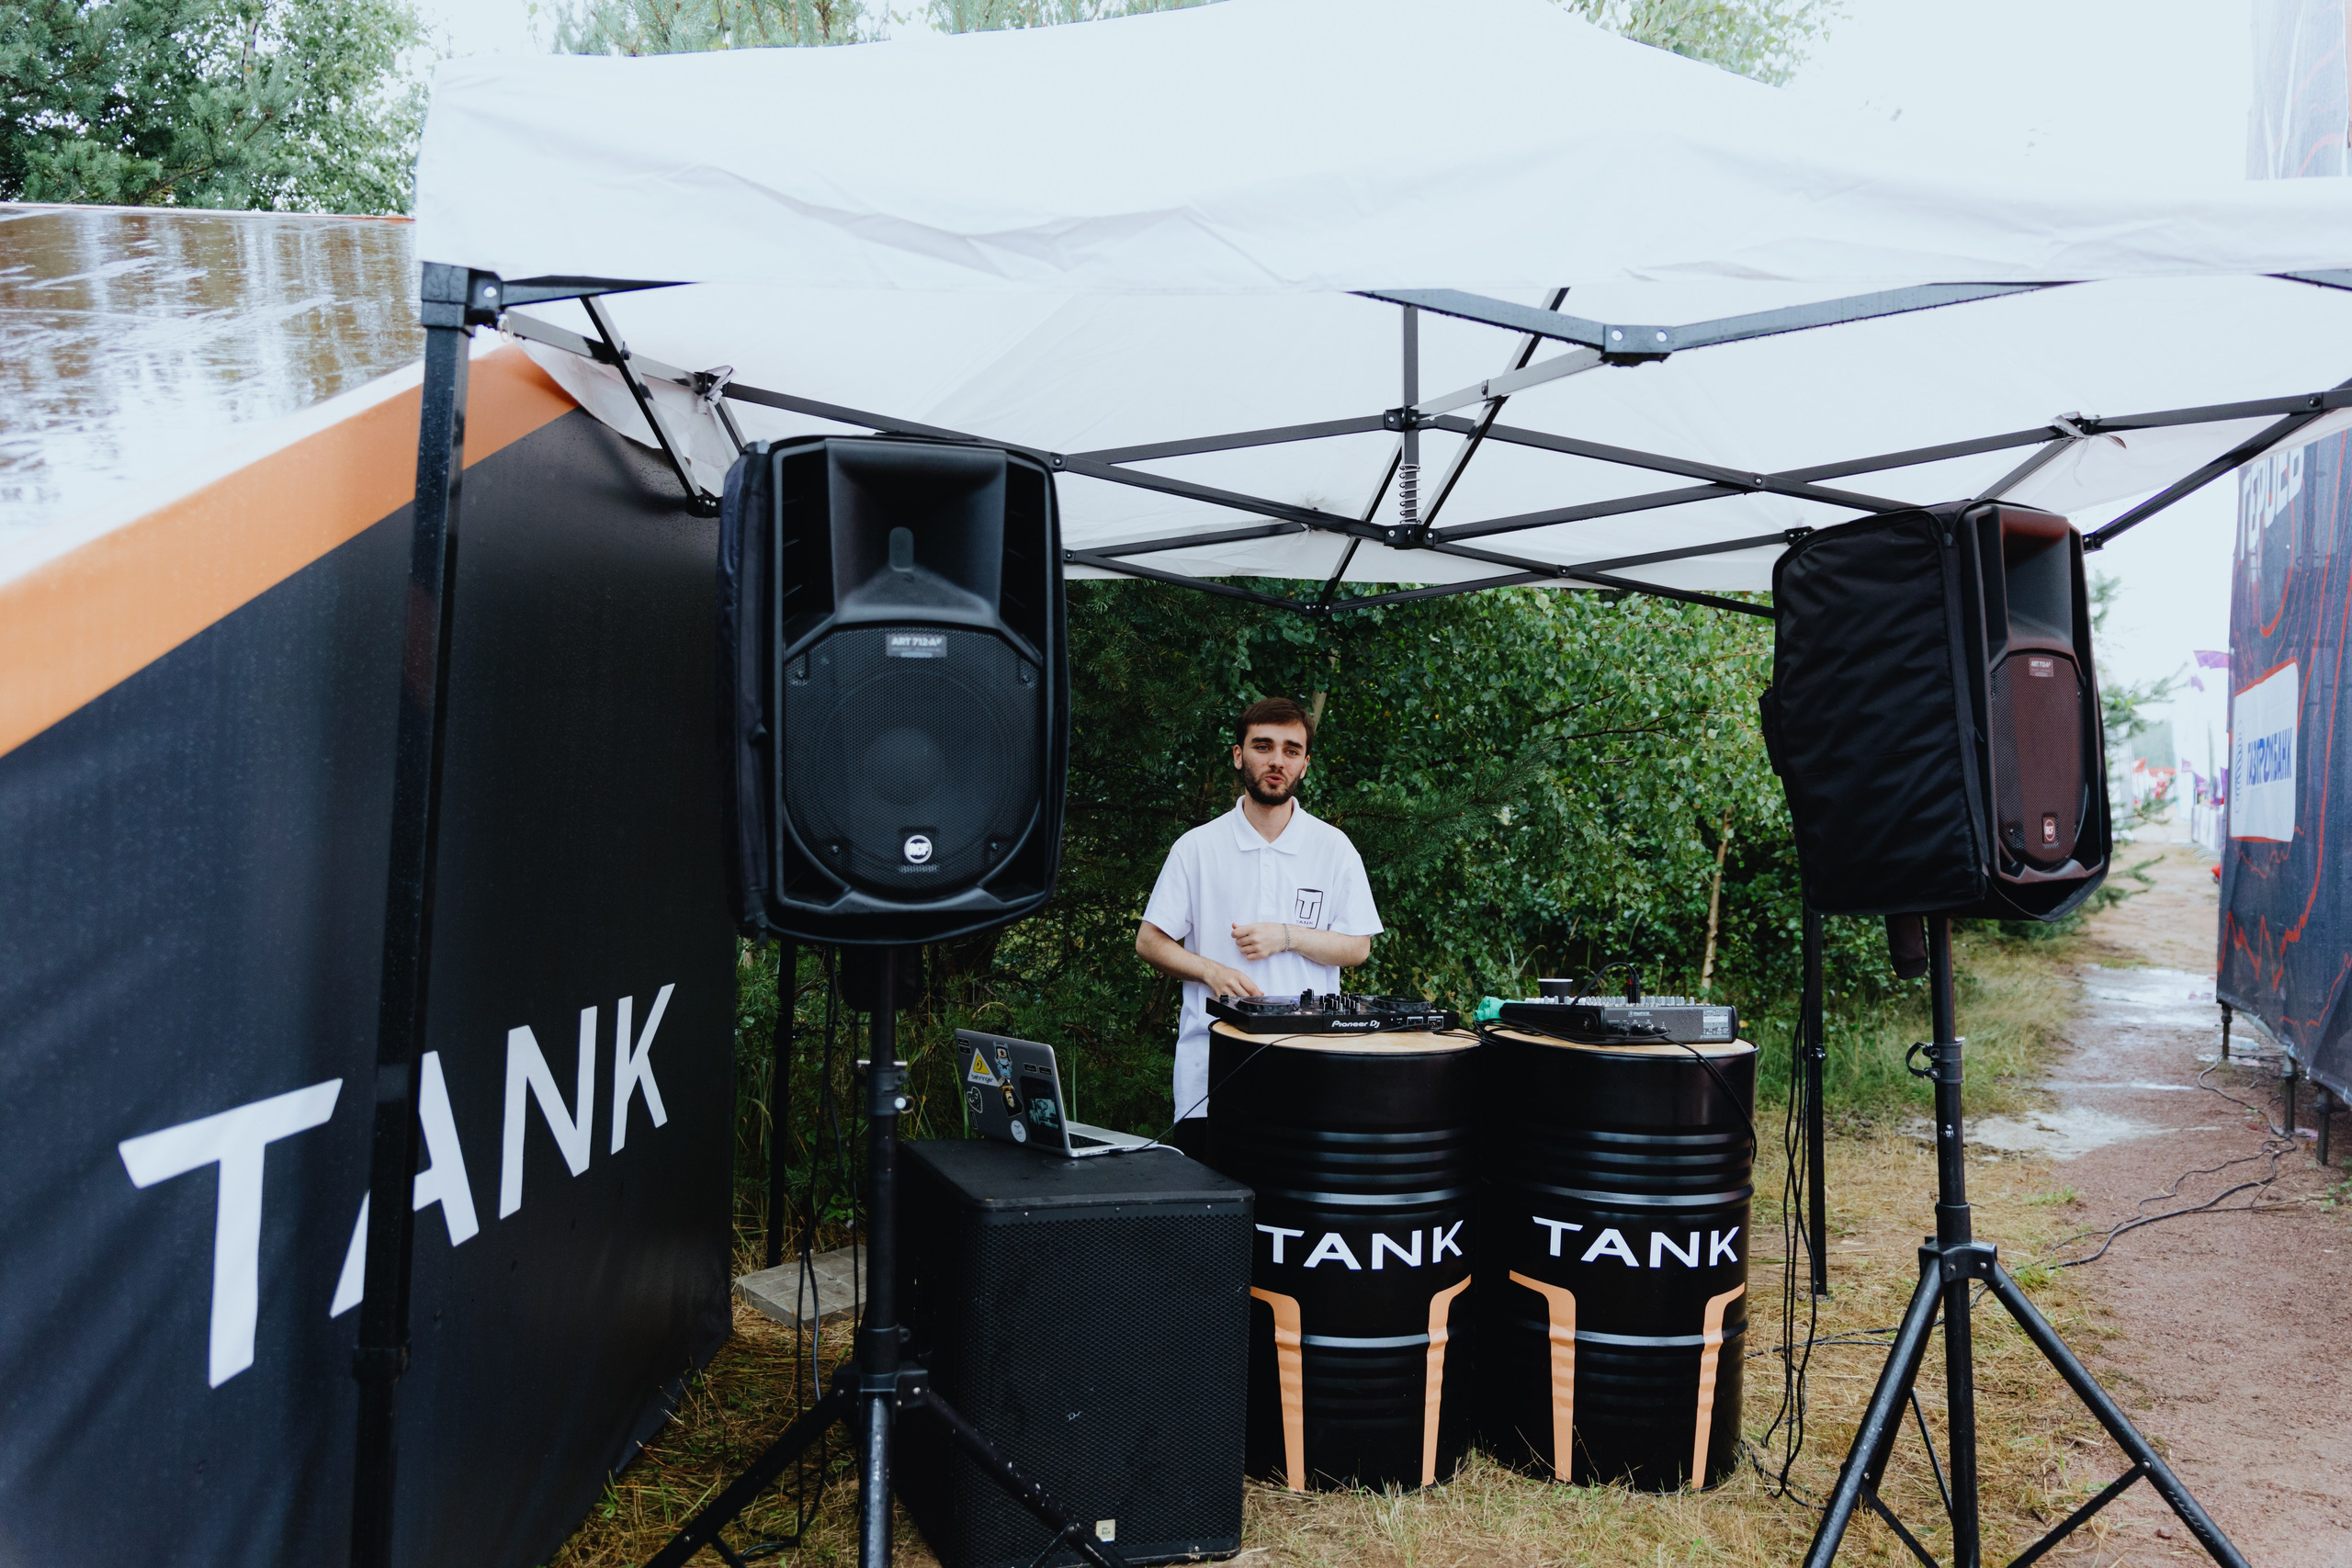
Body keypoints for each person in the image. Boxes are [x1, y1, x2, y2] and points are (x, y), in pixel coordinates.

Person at [1136, 696, 1381, 1157]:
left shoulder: (1333, 848)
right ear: (1238, 754)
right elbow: (1149, 941)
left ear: (1304, 765)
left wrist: (1287, 936)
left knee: (1292, 1219)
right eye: (1263, 746)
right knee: (1213, 1219)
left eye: (1291, 750)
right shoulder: (1197, 848)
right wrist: (1209, 971)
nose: (1276, 761)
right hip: (1209, 1074)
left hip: (1309, 1072)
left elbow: (1358, 947)